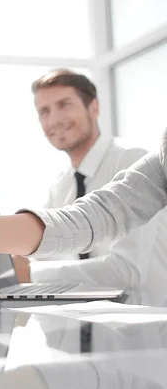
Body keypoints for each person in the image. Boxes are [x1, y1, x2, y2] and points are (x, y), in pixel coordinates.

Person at [10, 69, 167, 294]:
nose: (54, 120)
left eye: (64, 104)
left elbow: (128, 272)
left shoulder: (132, 160)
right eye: (44, 111)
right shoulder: (61, 185)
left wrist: (31, 274)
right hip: (88, 322)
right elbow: (40, 244)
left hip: (149, 324)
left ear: (94, 107)